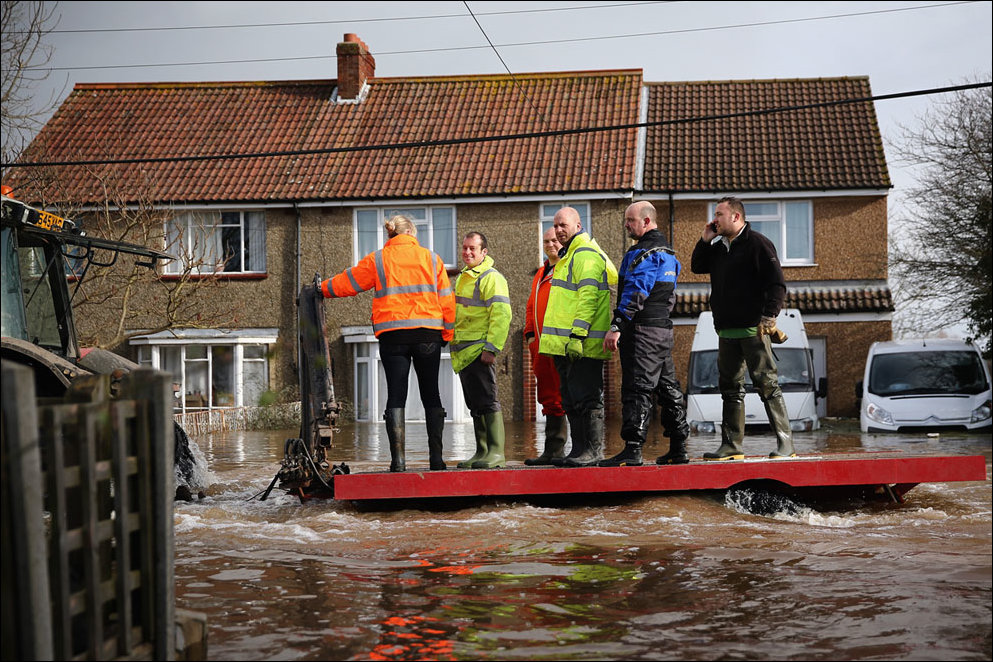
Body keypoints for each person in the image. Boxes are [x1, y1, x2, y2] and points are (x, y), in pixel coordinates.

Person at [320, 215, 455, 473]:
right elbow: (447, 300)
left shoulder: (378, 259)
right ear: (413, 235)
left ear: (390, 235)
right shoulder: (432, 258)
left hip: (393, 335)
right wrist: (446, 334)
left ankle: (398, 462)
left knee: (396, 394)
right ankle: (436, 461)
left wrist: (322, 288)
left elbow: (349, 282)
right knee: (432, 394)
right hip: (428, 335)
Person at [691, 196, 796, 460]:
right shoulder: (717, 248)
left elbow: (777, 284)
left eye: (719, 214)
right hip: (726, 331)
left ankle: (786, 445)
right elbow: (696, 266)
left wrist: (769, 316)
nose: (714, 219)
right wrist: (705, 239)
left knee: (767, 385)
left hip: (754, 330)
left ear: (736, 217)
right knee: (730, 389)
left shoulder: (758, 244)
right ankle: (731, 446)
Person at [600, 201, 690, 467]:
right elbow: (669, 297)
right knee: (668, 388)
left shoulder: (642, 254)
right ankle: (679, 447)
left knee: (636, 388)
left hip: (641, 332)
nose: (627, 225)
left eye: (630, 220)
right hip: (662, 330)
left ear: (647, 221)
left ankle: (633, 449)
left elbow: (635, 292)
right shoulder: (671, 256)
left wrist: (617, 326)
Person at [539, 207, 618, 467]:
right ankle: (579, 450)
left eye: (564, 225)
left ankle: (592, 451)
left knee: (587, 398)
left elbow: (588, 297)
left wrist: (577, 334)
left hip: (581, 344)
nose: (559, 230)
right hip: (566, 345)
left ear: (578, 225)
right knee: (571, 400)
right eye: (556, 225)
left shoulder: (584, 254)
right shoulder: (567, 255)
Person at [451, 231, 512, 469]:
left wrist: (492, 348)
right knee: (475, 404)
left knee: (488, 401)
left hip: (480, 350)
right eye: (464, 248)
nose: (467, 252)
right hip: (465, 352)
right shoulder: (463, 278)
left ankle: (496, 453)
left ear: (483, 252)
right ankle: (482, 451)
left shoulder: (490, 277)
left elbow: (501, 315)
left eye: (472, 249)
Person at [523, 227, 568, 465]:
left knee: (565, 396)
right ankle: (551, 451)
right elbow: (531, 306)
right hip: (540, 345)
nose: (550, 244)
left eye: (554, 240)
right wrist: (530, 335)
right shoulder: (540, 272)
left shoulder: (566, 268)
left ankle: (564, 449)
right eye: (546, 241)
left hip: (560, 343)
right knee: (547, 396)